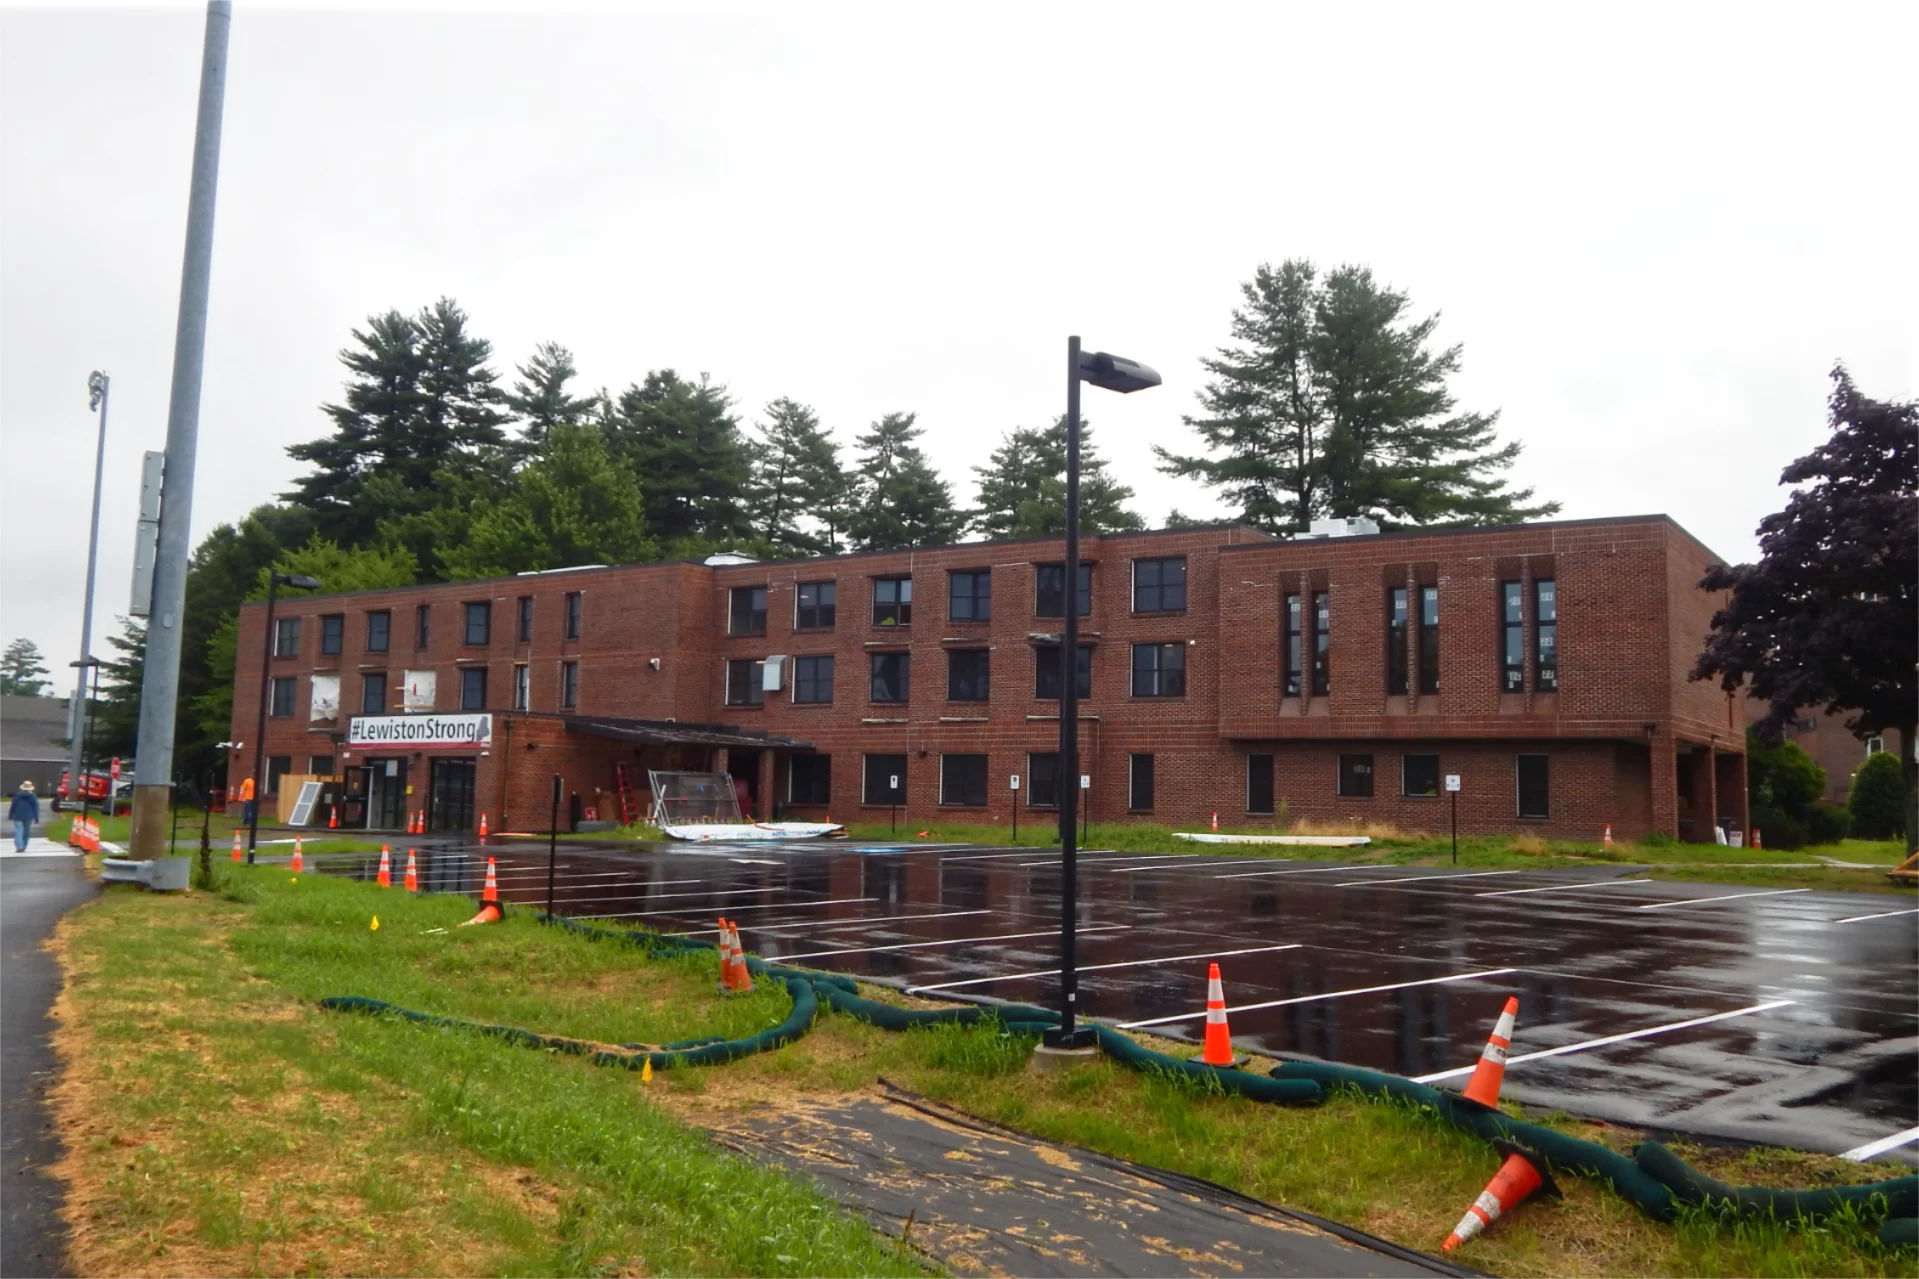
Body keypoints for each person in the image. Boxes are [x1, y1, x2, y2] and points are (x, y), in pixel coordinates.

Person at [10, 780, 39, 853]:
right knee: (26, 831)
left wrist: (10, 815)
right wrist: (36, 817)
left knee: (18, 830)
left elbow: (13, 805)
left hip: (17, 815)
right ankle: (24, 845)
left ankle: (19, 846)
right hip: (28, 816)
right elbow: (35, 807)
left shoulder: (17, 795)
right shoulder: (32, 796)